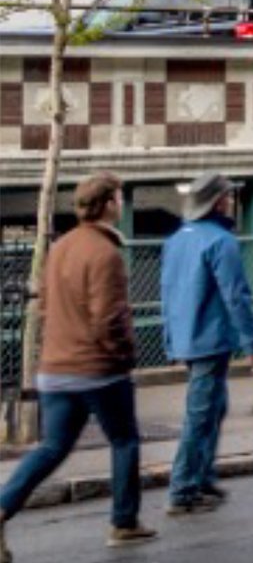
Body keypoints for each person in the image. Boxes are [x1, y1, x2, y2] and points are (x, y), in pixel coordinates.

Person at [0, 174, 156, 554]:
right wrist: (125, 356)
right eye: (119, 197)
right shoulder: (105, 254)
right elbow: (108, 318)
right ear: (108, 204)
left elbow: (46, 306)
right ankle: (124, 522)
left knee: (51, 447)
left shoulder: (60, 247)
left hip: (55, 369)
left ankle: (3, 507)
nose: (121, 203)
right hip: (98, 370)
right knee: (124, 440)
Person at [160, 172, 253, 516]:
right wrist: (251, 341)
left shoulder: (176, 240)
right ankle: (183, 489)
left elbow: (167, 293)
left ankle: (202, 477)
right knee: (201, 415)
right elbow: (236, 295)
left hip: (186, 336)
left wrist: (170, 341)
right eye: (227, 196)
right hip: (211, 338)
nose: (231, 200)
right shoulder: (222, 241)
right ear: (218, 202)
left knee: (214, 407)